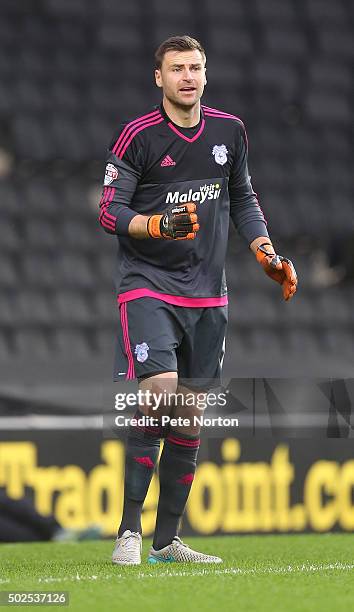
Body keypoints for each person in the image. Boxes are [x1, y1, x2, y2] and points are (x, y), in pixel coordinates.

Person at [98, 35, 297, 565]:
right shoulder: (138, 137)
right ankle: (129, 533)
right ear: (158, 78)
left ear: (206, 75)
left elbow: (242, 197)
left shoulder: (230, 132)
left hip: (209, 296)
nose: (188, 76)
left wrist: (264, 251)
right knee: (158, 392)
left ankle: (167, 542)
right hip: (149, 286)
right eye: (177, 68)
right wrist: (157, 224)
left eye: (196, 67)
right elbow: (109, 212)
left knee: (189, 415)